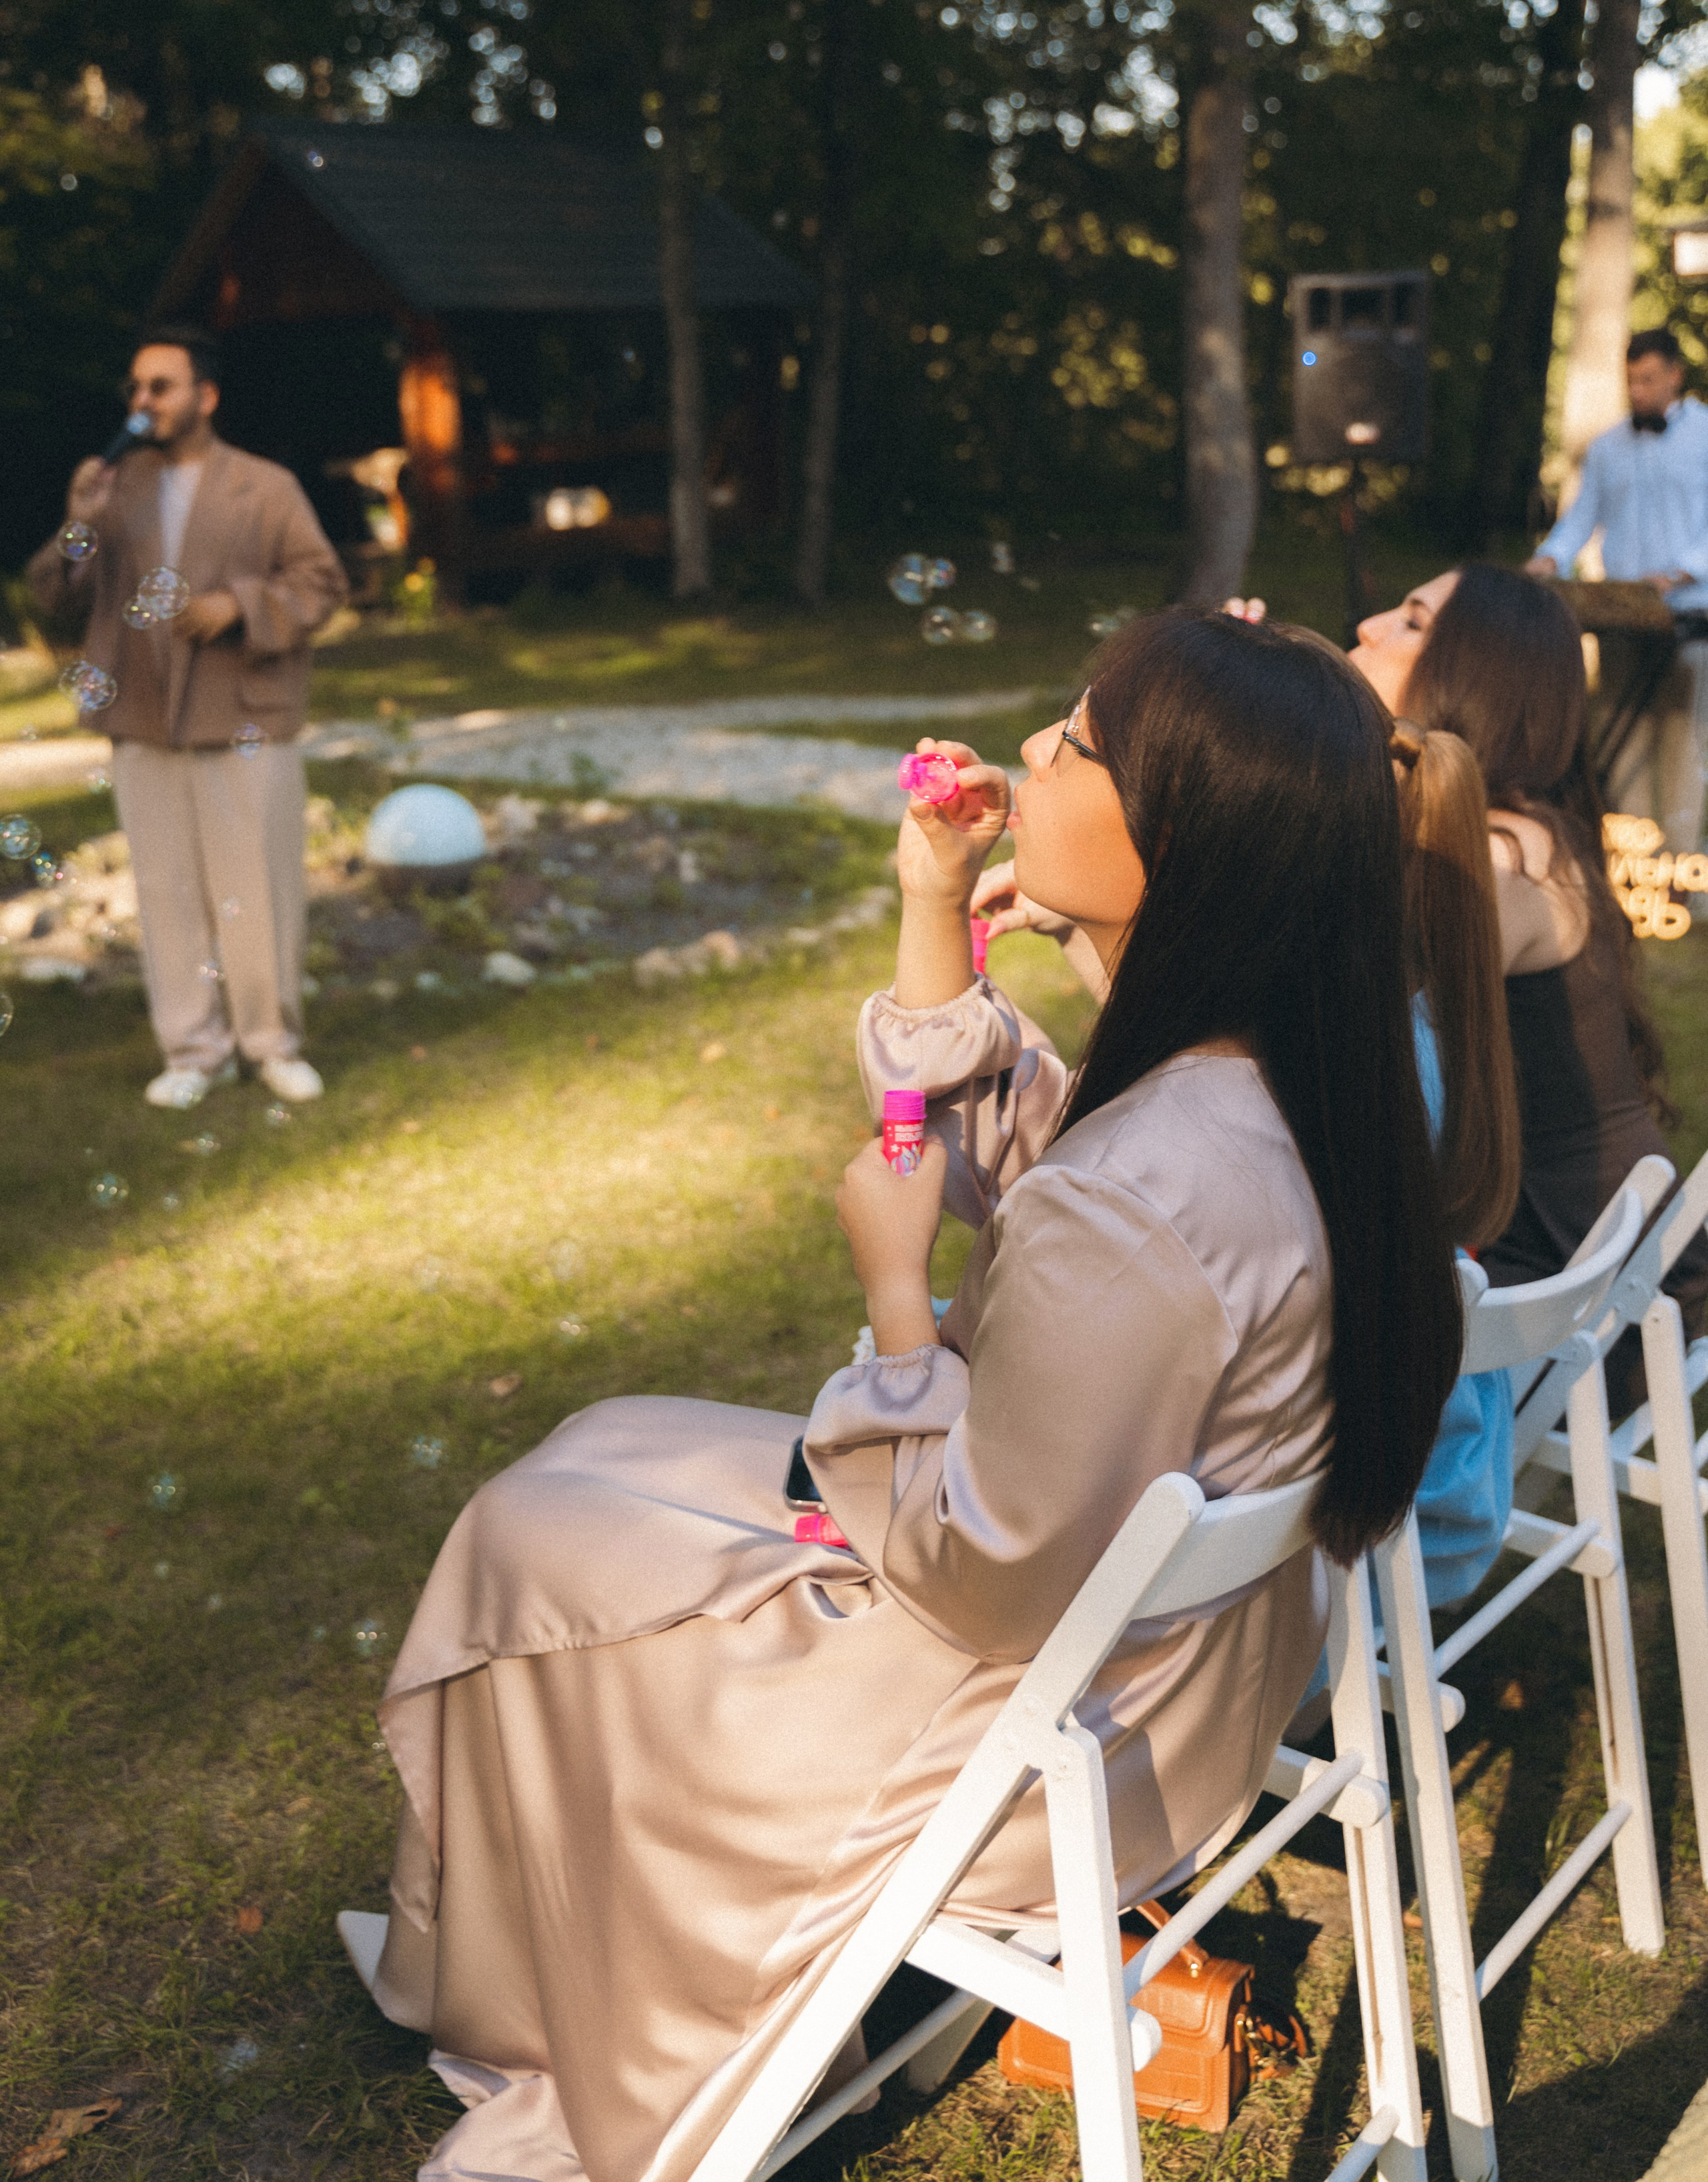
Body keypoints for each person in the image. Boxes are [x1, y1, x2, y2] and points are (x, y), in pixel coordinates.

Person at [348, 612, 1460, 2182]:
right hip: (1182, 1671)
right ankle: (524, 1944)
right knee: (602, 1445)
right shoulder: (1275, 1078)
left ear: (1174, 842)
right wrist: (930, 905)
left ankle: (541, 1981)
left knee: (530, 1529)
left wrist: (892, 1292)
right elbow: (1036, 1154)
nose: (1026, 754)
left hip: (1033, 1718)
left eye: (1072, 741)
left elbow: (983, 1562)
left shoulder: (1148, 1190)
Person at [978, 702, 1523, 1610]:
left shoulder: (1251, 1133)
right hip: (1386, 1510)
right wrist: (1083, 926)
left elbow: (997, 1553)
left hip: (1324, 1573)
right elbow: (1185, 1025)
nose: (1039, 748)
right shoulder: (1370, 1047)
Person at [1352, 561, 1705, 1381]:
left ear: (1471, 677)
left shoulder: (1489, 860)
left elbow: (1302, 1033)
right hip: (1613, 1272)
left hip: (1583, 1309)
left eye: (1408, 620)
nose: (1368, 625)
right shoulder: (1516, 829)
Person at [27, 326, 348, 1108]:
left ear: (206, 396)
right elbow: (52, 594)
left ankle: (270, 1043)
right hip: (143, 719)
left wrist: (235, 605)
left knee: (260, 887)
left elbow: (321, 581)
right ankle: (191, 1051)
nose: (142, 402)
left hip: (241, 715)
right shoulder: (113, 488)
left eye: (159, 387)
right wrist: (79, 519)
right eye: (135, 389)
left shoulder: (265, 487)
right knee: (166, 890)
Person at [1525, 326, 1708, 859]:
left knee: (1681, 739)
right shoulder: (1608, 447)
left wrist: (1683, 571)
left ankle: (1678, 869)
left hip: (1690, 613)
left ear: (1675, 375)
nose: (1639, 392)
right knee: (1620, 734)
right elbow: (1582, 518)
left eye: (1649, 380)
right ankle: (1629, 861)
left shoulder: (1704, 435)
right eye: (1632, 381)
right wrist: (1550, 558)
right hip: (1623, 613)